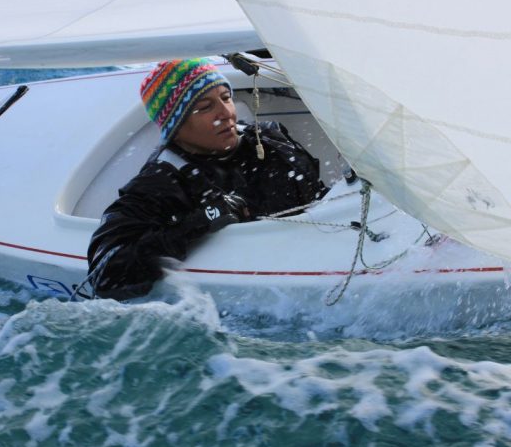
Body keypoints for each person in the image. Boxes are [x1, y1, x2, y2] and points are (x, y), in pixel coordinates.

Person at [86, 58, 329, 300]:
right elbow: (104, 274)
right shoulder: (160, 182)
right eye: (204, 107)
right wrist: (200, 222)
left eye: (226, 98)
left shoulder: (269, 137)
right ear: (175, 126)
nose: (226, 113)